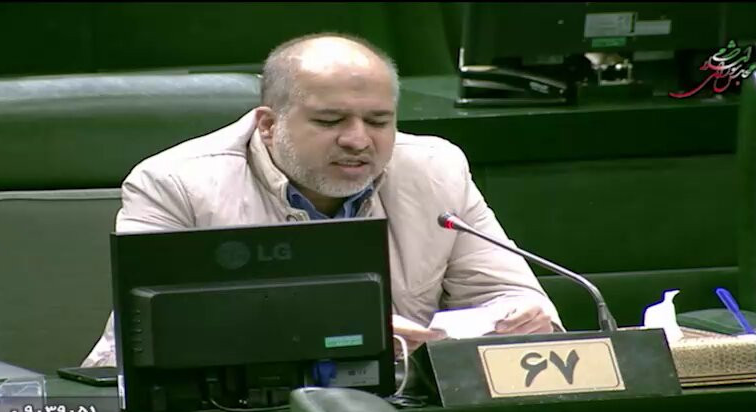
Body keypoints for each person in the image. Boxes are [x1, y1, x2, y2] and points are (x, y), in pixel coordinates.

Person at [82, 32, 562, 367]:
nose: (358, 140)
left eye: (378, 121)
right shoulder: (175, 183)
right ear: (268, 125)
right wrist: (345, 334)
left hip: (400, 411)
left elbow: (511, 295)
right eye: (330, 121)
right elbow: (141, 345)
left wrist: (518, 316)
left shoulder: (436, 169)